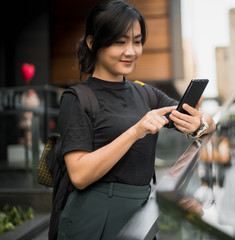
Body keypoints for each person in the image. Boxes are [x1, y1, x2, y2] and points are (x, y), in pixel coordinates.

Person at [56, 0, 216, 239]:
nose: (131, 51)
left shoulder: (145, 93)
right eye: (120, 42)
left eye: (137, 41)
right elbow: (79, 175)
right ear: (92, 43)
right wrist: (135, 131)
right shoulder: (77, 98)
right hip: (92, 217)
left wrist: (200, 123)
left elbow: (209, 122)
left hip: (141, 213)